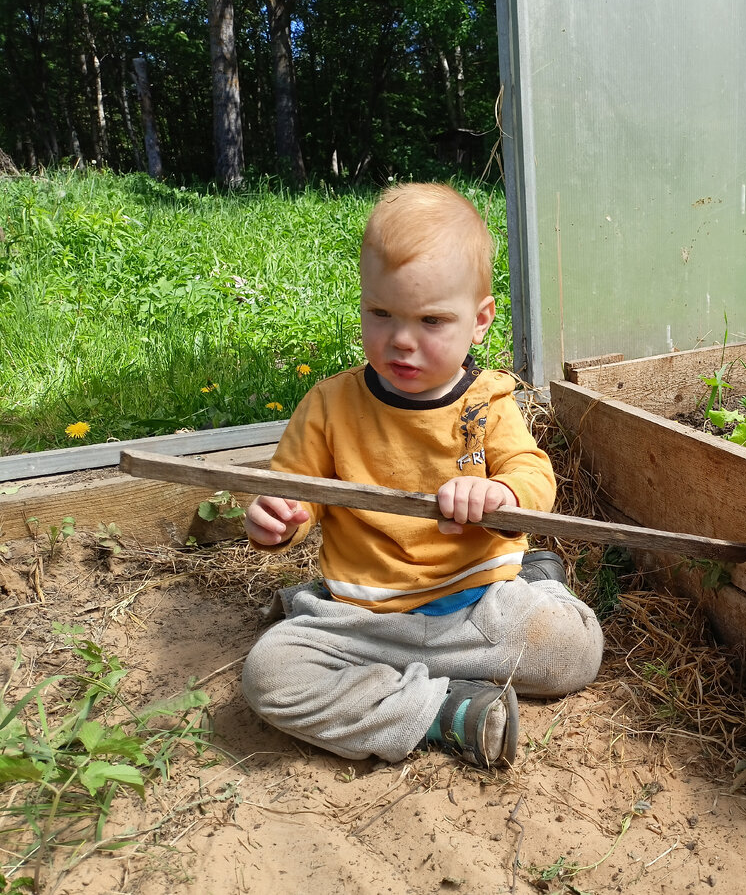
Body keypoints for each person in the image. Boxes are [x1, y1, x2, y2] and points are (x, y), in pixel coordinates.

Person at [239, 182, 604, 769]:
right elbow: (292, 496)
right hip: (364, 620)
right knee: (270, 675)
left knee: (574, 650)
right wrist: (278, 520)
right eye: (381, 313)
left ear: (480, 320)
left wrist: (500, 492)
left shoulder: (486, 403)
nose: (401, 341)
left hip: (476, 603)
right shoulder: (331, 407)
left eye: (432, 321)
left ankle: (537, 581)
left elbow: (535, 476)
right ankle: (443, 712)